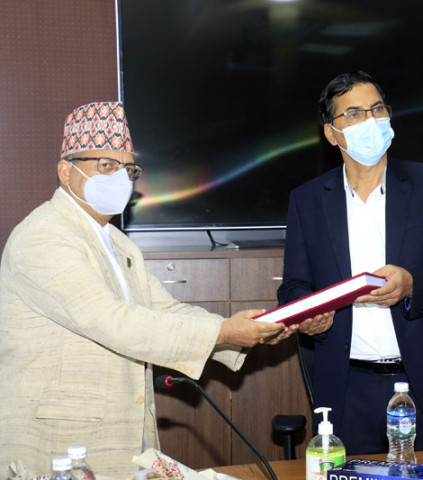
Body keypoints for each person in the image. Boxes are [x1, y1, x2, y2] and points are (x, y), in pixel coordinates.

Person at [0, 101, 332, 479]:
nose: (120, 178)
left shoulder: (118, 244)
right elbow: (113, 322)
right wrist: (224, 332)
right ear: (66, 171)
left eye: (128, 169)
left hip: (119, 438)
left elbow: (166, 310)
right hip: (61, 444)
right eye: (105, 165)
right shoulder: (44, 237)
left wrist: (250, 329)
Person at [277, 71, 423, 455]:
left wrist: (412, 283)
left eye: (377, 109)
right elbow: (294, 285)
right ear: (331, 133)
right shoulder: (308, 200)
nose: (370, 121)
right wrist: (308, 314)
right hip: (348, 387)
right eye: (354, 114)